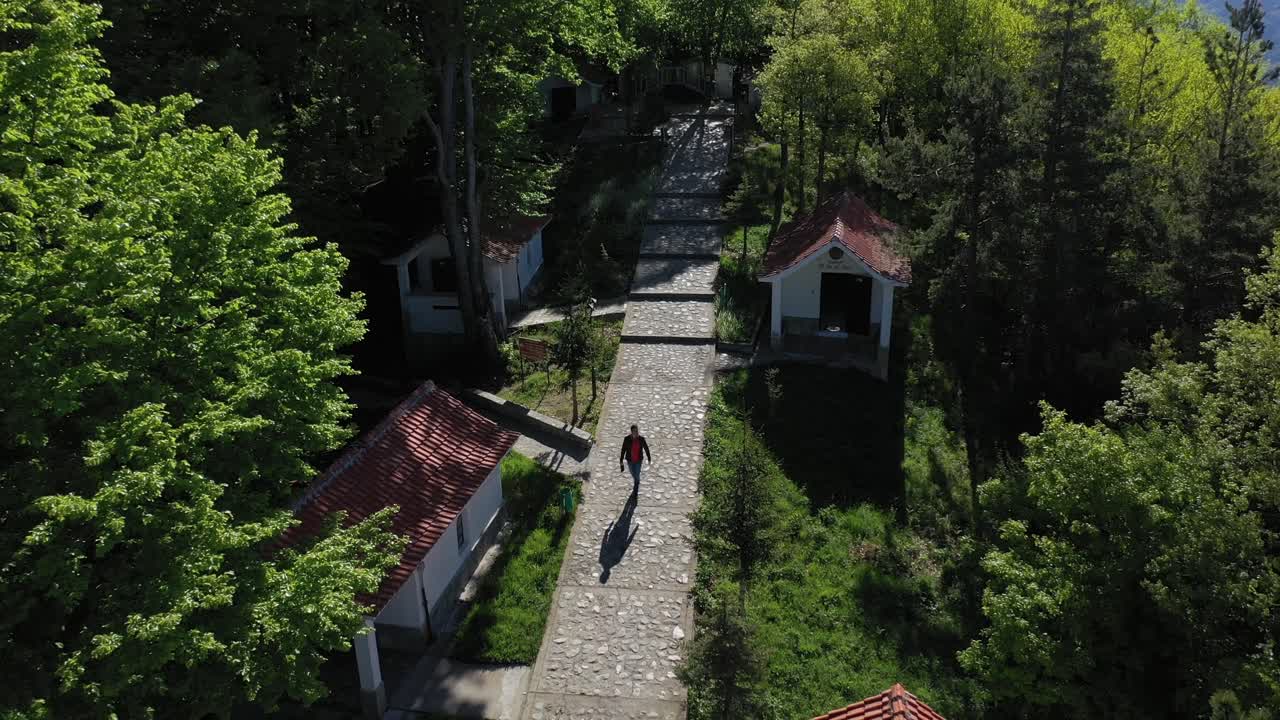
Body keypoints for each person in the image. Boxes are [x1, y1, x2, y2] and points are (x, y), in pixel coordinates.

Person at [619, 424, 652, 493]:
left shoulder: (641, 439)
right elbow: (623, 450)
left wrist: (649, 458)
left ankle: (636, 488)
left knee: (636, 474)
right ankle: (636, 480)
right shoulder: (627, 439)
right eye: (634, 431)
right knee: (632, 473)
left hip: (638, 460)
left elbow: (646, 448)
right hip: (630, 460)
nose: (636, 432)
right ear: (631, 432)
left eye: (637, 431)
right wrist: (621, 460)